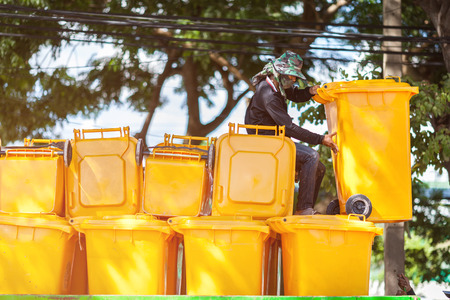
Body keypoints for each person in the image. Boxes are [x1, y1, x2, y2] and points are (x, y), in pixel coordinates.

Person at [245, 50, 338, 215]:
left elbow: (293, 94)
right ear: (281, 73)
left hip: (275, 140)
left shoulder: (275, 85)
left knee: (319, 168)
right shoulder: (269, 94)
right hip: (264, 141)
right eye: (292, 76)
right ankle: (303, 209)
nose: (294, 79)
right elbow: (289, 128)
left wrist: (310, 91)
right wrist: (321, 138)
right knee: (311, 156)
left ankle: (305, 208)